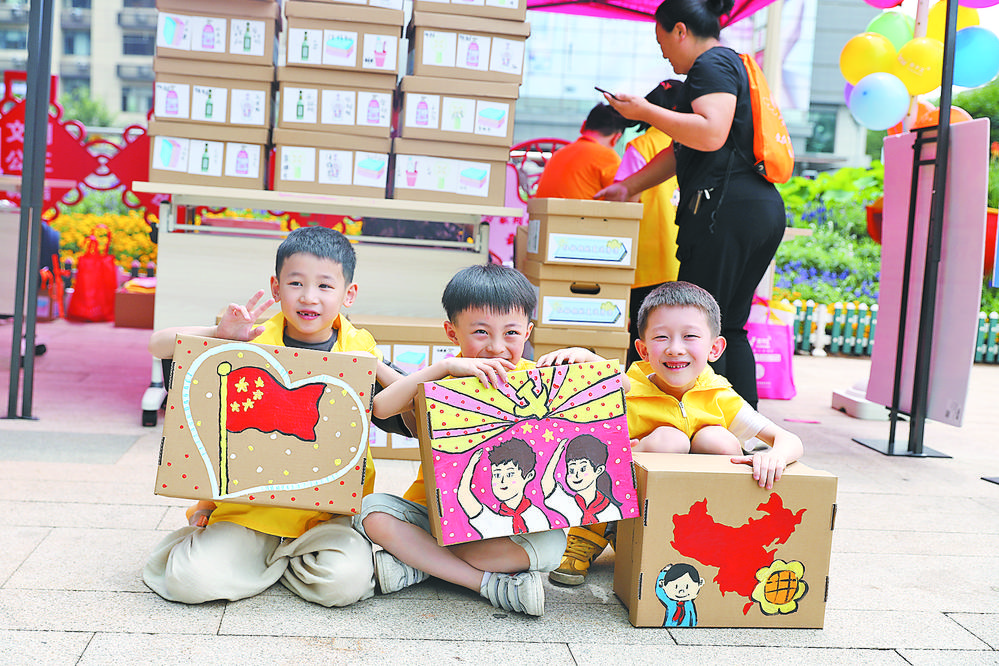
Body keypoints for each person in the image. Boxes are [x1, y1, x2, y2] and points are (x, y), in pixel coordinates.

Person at [142, 226, 404, 608]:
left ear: (349, 294)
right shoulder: (252, 338)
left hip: (324, 519)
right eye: (296, 283)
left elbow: (407, 404)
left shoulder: (359, 347)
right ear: (276, 288)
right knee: (189, 581)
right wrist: (219, 334)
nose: (309, 296)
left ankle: (266, 564)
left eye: (325, 286)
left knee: (345, 585)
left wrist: (374, 365)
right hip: (248, 511)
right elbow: (159, 345)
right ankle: (258, 558)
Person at [356, 263, 607, 616]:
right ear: (452, 332)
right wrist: (443, 368)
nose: (496, 347)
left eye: (511, 333)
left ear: (528, 332)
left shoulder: (536, 378)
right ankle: (487, 583)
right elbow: (381, 407)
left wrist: (589, 358)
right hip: (435, 517)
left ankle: (421, 565)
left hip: (503, 527)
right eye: (480, 332)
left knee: (552, 545)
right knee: (371, 513)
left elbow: (622, 390)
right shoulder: (444, 378)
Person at [596, 0, 787, 409]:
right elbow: (684, 147)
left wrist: (645, 111)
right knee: (727, 327)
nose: (664, 53)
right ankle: (743, 429)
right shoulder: (731, 63)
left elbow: (710, 133)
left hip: (725, 211)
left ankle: (703, 424)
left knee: (697, 326)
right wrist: (628, 187)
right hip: (755, 207)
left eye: (662, 40)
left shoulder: (710, 65)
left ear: (680, 31)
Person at [550, 281, 803, 587]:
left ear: (714, 348)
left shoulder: (720, 396)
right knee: (669, 441)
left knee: (718, 440)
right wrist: (581, 356)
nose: (675, 348)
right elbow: (580, 422)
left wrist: (775, 456)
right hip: (626, 513)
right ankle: (587, 538)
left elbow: (790, 440)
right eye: (661, 337)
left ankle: (715, 540)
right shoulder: (627, 390)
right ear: (643, 350)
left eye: (690, 336)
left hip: (691, 515)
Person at [615, 80, 683, 366]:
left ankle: (640, 387)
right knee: (677, 334)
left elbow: (625, 203)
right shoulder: (695, 144)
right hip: (683, 256)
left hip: (646, 261)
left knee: (644, 334)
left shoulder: (641, 146)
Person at [534, 103, 630, 199]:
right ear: (616, 138)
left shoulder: (559, 153)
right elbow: (623, 198)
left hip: (543, 208)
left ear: (583, 126)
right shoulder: (607, 156)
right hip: (577, 209)